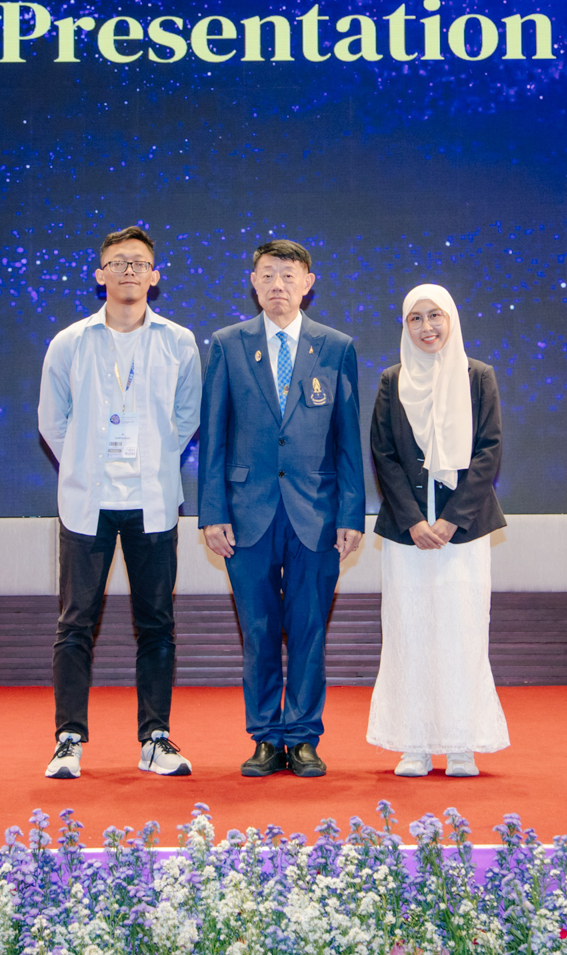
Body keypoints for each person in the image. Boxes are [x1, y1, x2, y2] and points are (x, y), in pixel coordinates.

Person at [37, 226, 203, 779]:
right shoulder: (70, 343)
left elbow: (187, 415)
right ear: (99, 274)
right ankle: (68, 740)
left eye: (138, 262)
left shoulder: (178, 341)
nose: (129, 270)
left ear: (154, 276)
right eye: (118, 262)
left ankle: (156, 738)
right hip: (88, 502)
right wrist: (86, 463)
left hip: (152, 500)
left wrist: (152, 458)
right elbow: (51, 420)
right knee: (74, 624)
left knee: (156, 623)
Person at [198, 238, 364, 777]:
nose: (278, 285)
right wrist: (212, 512)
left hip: (317, 512)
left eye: (289, 276)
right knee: (259, 630)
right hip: (246, 513)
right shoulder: (228, 344)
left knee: (310, 630)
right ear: (253, 282)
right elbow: (214, 437)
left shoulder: (336, 347)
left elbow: (347, 439)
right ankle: (266, 737)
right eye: (268, 274)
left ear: (308, 284)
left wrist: (351, 515)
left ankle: (305, 736)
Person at [366, 283, 509, 777]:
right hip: (408, 531)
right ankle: (415, 743)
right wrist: (414, 520)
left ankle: (461, 743)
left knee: (461, 632)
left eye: (435, 316)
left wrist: (450, 519)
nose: (426, 327)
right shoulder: (392, 380)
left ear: (451, 319)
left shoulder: (478, 376)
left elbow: (489, 451)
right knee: (410, 633)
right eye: (416, 318)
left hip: (463, 530)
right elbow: (383, 454)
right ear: (405, 326)